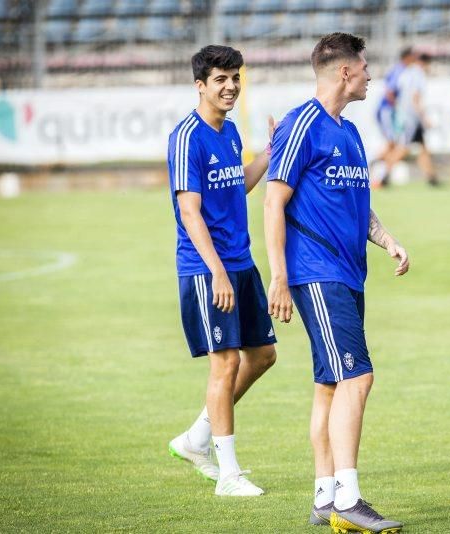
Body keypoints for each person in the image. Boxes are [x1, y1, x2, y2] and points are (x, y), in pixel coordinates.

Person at [264, 33, 409, 533]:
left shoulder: (349, 132)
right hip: (316, 273)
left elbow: (356, 199)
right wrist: (279, 278)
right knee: (358, 377)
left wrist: (385, 238)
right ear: (345, 73)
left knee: (329, 385)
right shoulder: (301, 124)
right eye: (366, 67)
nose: (371, 74)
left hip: (349, 274)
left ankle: (326, 497)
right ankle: (349, 497)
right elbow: (271, 202)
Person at [165, 45, 277, 497]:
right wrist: (216, 272)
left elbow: (240, 184)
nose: (230, 86)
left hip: (240, 261)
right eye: (220, 79)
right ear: (200, 85)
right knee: (226, 363)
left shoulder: (229, 132)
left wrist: (271, 152)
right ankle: (228, 475)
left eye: (235, 77)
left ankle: (196, 438)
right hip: (206, 267)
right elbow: (189, 212)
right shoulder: (187, 137)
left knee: (263, 355)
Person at [378, 52, 438, 187]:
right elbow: (415, 98)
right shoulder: (419, 75)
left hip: (406, 116)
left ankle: (432, 178)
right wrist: (424, 118)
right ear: (425, 63)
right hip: (412, 118)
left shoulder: (407, 73)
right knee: (403, 148)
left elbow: (398, 92)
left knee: (423, 147)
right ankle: (383, 176)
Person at [371, 47, 417, 182]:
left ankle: (382, 175)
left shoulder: (399, 70)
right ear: (407, 57)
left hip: (387, 110)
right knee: (392, 143)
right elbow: (389, 92)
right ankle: (368, 164)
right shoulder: (400, 71)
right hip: (387, 110)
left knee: (393, 143)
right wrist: (398, 107)